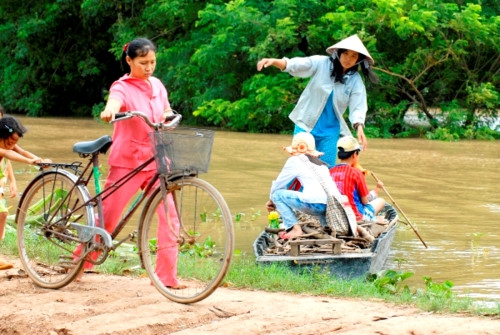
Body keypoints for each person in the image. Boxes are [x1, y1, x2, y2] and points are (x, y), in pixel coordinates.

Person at [76, 38, 185, 288]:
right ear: (129, 61)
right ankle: (80, 263)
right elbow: (114, 102)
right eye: (143, 62)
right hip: (128, 162)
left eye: (153, 62)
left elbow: (165, 109)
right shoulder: (122, 87)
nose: (149, 67)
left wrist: (169, 116)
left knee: (170, 216)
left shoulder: (157, 85)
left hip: (156, 159)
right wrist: (109, 111)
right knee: (109, 218)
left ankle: (166, 277)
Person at [257, 34, 379, 167]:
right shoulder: (321, 63)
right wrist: (274, 61)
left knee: (325, 169)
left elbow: (358, 105)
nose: (348, 59)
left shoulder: (355, 80)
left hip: (330, 131)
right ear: (338, 52)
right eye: (345, 53)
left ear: (359, 60)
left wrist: (359, 127)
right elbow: (296, 65)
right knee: (300, 166)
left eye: (354, 56)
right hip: (306, 124)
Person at [0, 114, 52, 270]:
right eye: (9, 142)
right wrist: (30, 162)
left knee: (2, 215)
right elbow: (9, 155)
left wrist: (38, 159)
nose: (12, 145)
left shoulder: (9, 144)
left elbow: (21, 151)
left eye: (14, 142)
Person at [266, 132, 335, 239]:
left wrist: (271, 200)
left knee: (276, 195)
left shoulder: (295, 160)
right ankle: (326, 227)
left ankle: (295, 229)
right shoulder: (322, 165)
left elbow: (279, 184)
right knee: (319, 197)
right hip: (328, 205)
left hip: (313, 204)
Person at [329, 136, 386, 223]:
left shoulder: (330, 171)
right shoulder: (356, 173)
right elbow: (365, 201)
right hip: (356, 217)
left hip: (335, 216)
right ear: (355, 154)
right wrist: (377, 189)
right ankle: (373, 219)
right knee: (381, 201)